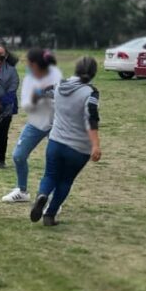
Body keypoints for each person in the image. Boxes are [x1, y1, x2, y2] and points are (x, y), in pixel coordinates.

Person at [30, 57, 102, 226]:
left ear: (76, 69)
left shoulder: (60, 85)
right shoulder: (91, 92)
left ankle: (43, 194)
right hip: (78, 147)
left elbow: (40, 90)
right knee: (65, 180)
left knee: (50, 175)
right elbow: (91, 119)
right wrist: (95, 145)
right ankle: (50, 214)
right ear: (93, 73)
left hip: (55, 141)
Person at [2, 50, 62, 203]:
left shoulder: (55, 75)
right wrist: (37, 97)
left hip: (56, 124)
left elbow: (63, 99)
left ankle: (51, 198)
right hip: (36, 123)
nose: (26, 65)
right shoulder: (29, 79)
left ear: (36, 64)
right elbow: (26, 106)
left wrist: (52, 97)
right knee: (18, 155)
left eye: (29, 62)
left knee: (54, 161)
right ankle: (22, 191)